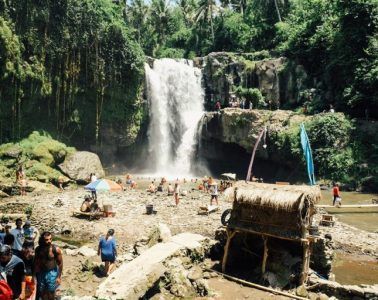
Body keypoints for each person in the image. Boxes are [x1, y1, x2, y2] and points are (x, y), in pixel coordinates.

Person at [34, 232, 63, 300]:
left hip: (52, 272)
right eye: (47, 240)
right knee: (42, 291)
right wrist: (34, 275)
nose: (49, 241)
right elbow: (36, 262)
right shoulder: (38, 249)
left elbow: (60, 263)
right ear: (42, 240)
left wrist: (59, 277)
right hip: (41, 272)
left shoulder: (56, 249)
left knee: (51, 291)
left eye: (50, 239)